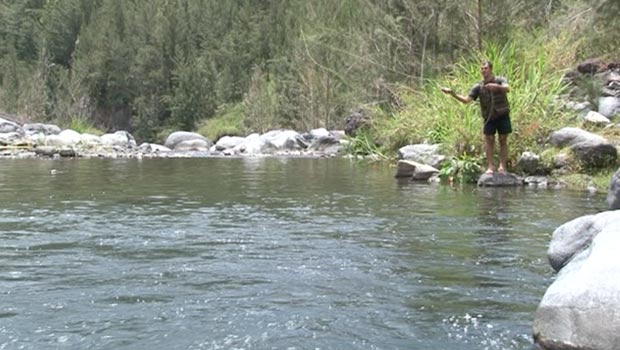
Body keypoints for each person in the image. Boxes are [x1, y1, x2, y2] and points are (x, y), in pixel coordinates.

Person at [440, 61, 511, 174]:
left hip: (503, 115)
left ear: (491, 69)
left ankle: (502, 167)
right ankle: (490, 167)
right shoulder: (478, 87)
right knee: (489, 140)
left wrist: (495, 87)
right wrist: (452, 94)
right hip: (489, 117)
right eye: (482, 69)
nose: (483, 71)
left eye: (486, 68)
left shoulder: (500, 80)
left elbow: (507, 88)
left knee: (503, 140)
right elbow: (466, 100)